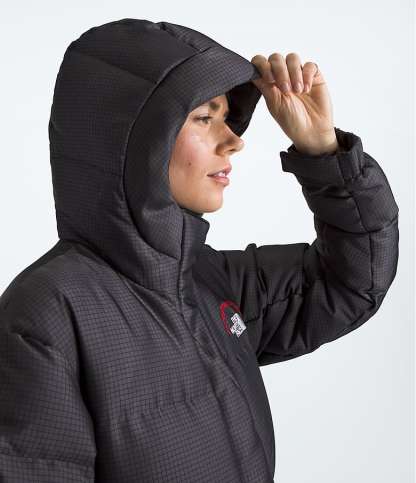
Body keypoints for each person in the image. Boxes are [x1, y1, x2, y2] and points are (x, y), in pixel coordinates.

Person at [0, 18, 399, 482]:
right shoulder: (47, 318)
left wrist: (324, 152)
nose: (234, 140)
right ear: (132, 139)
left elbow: (353, 281)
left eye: (226, 117)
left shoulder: (207, 281)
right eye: (204, 118)